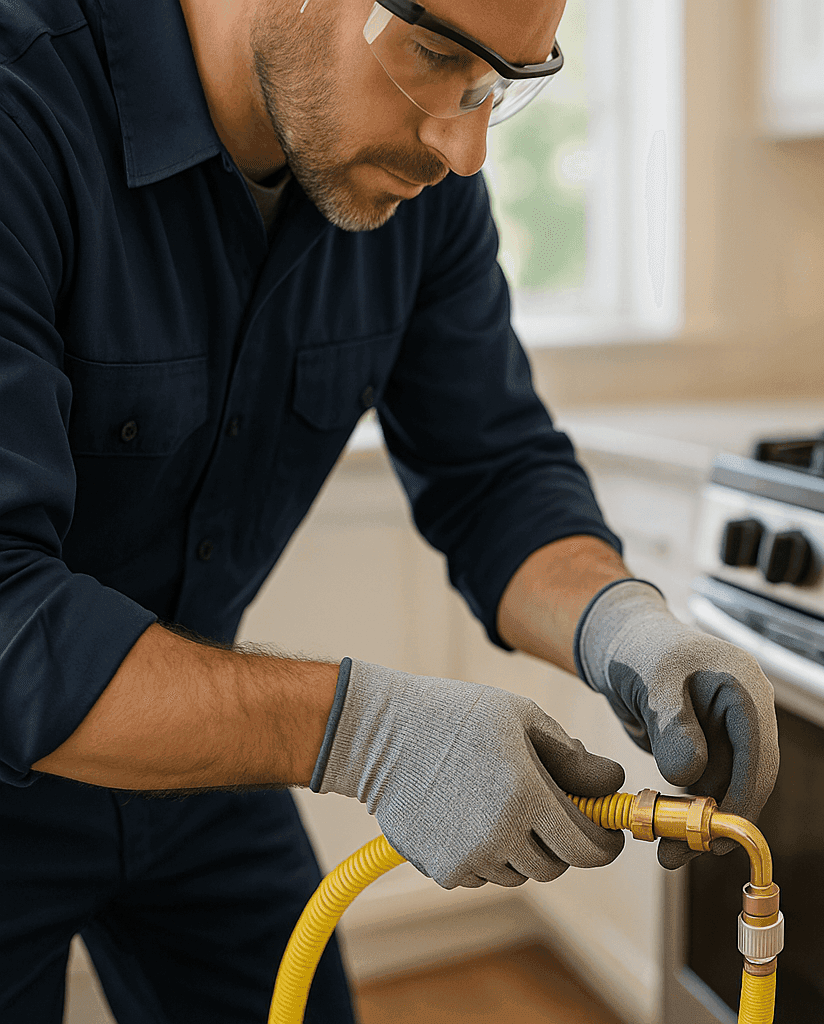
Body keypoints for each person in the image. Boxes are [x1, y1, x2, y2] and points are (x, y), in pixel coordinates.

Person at [0, 0, 779, 1019]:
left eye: (495, 85)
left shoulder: (417, 187)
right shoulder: (25, 108)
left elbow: (493, 472)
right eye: (434, 55)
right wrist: (370, 732)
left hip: (192, 757)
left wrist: (623, 623)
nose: (462, 150)